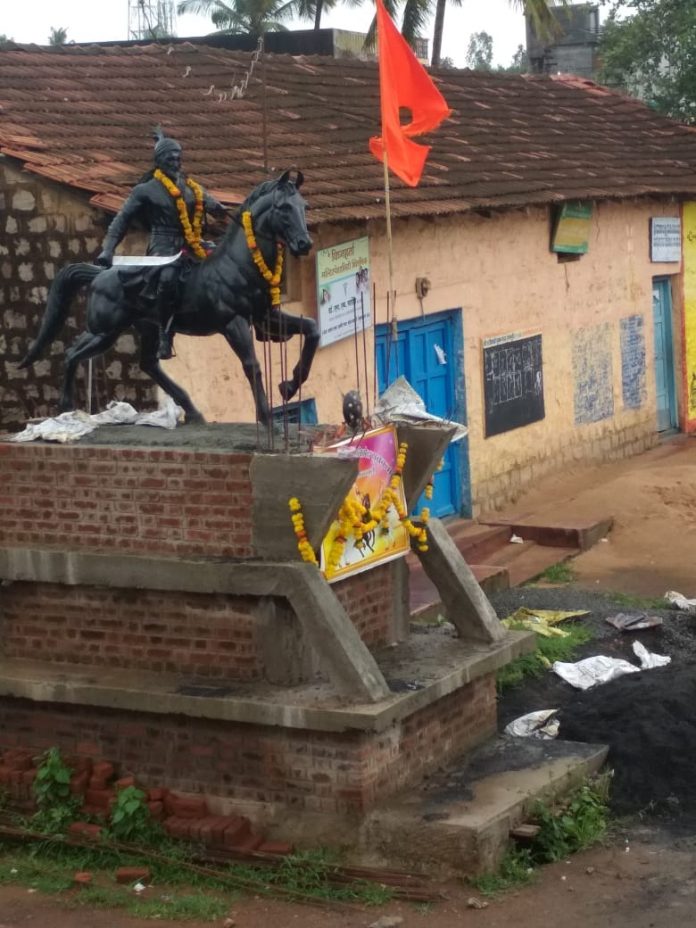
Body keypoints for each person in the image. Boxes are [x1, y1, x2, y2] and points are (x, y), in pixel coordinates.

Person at [96, 128, 227, 359]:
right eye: (170, 158)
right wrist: (108, 249)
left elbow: (212, 205)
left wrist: (220, 209)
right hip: (163, 248)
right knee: (167, 278)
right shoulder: (145, 190)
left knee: (224, 260)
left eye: (178, 158)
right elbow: (121, 220)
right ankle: (165, 334)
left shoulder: (191, 187)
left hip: (193, 243)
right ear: (159, 162)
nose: (175, 162)